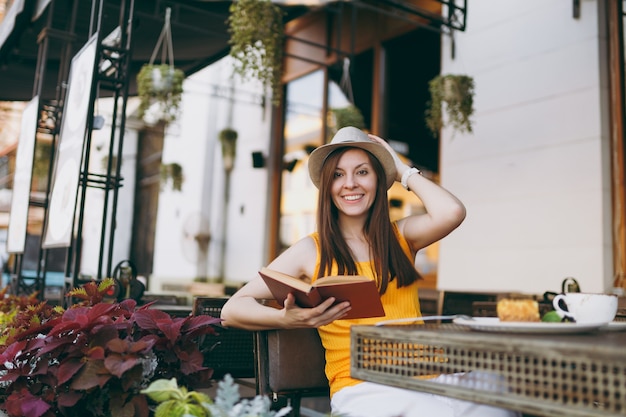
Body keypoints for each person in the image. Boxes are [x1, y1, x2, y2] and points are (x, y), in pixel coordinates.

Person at [221, 126, 518, 417]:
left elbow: (452, 212)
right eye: (338, 174)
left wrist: (402, 170)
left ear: (379, 179)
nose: (350, 183)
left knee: (499, 398)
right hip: (365, 387)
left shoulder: (402, 237)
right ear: (328, 187)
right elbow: (232, 309)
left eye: (362, 171)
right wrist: (286, 319)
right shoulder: (310, 250)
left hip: (431, 377)